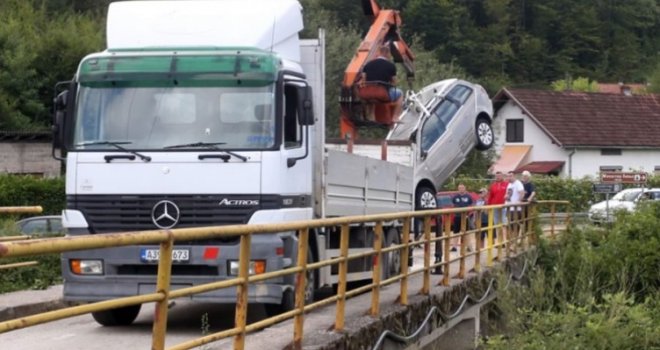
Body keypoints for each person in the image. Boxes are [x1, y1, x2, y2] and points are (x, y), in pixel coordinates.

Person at [362, 45, 403, 120]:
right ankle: (395, 117)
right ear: (387, 53)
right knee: (400, 93)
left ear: (379, 52)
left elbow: (363, 81)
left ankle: (371, 118)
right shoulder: (391, 66)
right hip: (382, 94)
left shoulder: (367, 65)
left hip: (367, 93)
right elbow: (394, 83)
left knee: (371, 99)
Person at [451, 183, 473, 252]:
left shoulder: (468, 197)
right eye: (459, 188)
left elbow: (471, 206)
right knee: (455, 232)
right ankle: (454, 247)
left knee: (466, 232)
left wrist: (468, 214)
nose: (461, 189)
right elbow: (453, 205)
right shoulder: (455, 197)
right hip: (457, 216)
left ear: (465, 188)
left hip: (465, 217)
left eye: (462, 188)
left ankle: (469, 246)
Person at [505, 171, 525, 247]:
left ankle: (514, 242)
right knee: (509, 226)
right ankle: (511, 241)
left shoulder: (518, 183)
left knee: (515, 225)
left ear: (514, 176)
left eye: (510, 176)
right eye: (508, 176)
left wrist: (518, 201)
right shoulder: (509, 184)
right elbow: (508, 194)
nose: (509, 177)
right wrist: (506, 197)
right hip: (509, 207)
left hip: (515, 209)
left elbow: (522, 193)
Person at [488, 171, 509, 237]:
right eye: (496, 176)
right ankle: (500, 240)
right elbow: (490, 197)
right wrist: (488, 206)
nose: (498, 177)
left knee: (504, 223)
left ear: (502, 176)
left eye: (499, 176)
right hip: (495, 206)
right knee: (497, 224)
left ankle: (505, 240)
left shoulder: (507, 184)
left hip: (504, 206)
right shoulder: (493, 185)